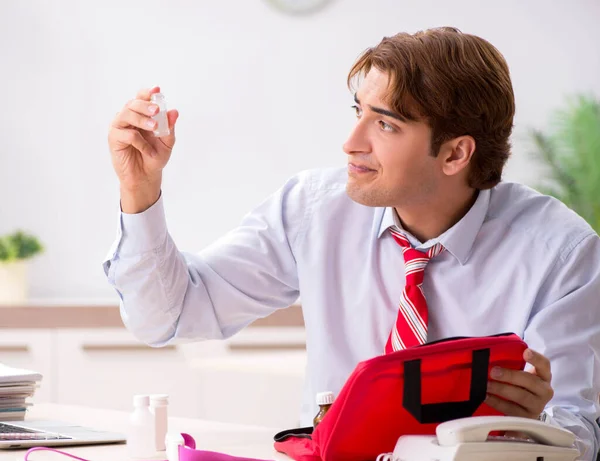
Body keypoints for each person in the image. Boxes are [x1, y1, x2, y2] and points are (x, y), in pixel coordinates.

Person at [104, 27, 600, 459]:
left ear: (454, 153)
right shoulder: (313, 210)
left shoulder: (561, 254)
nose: (351, 141)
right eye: (358, 111)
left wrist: (539, 432)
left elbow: (577, 429)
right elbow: (166, 317)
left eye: (385, 123)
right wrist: (139, 190)